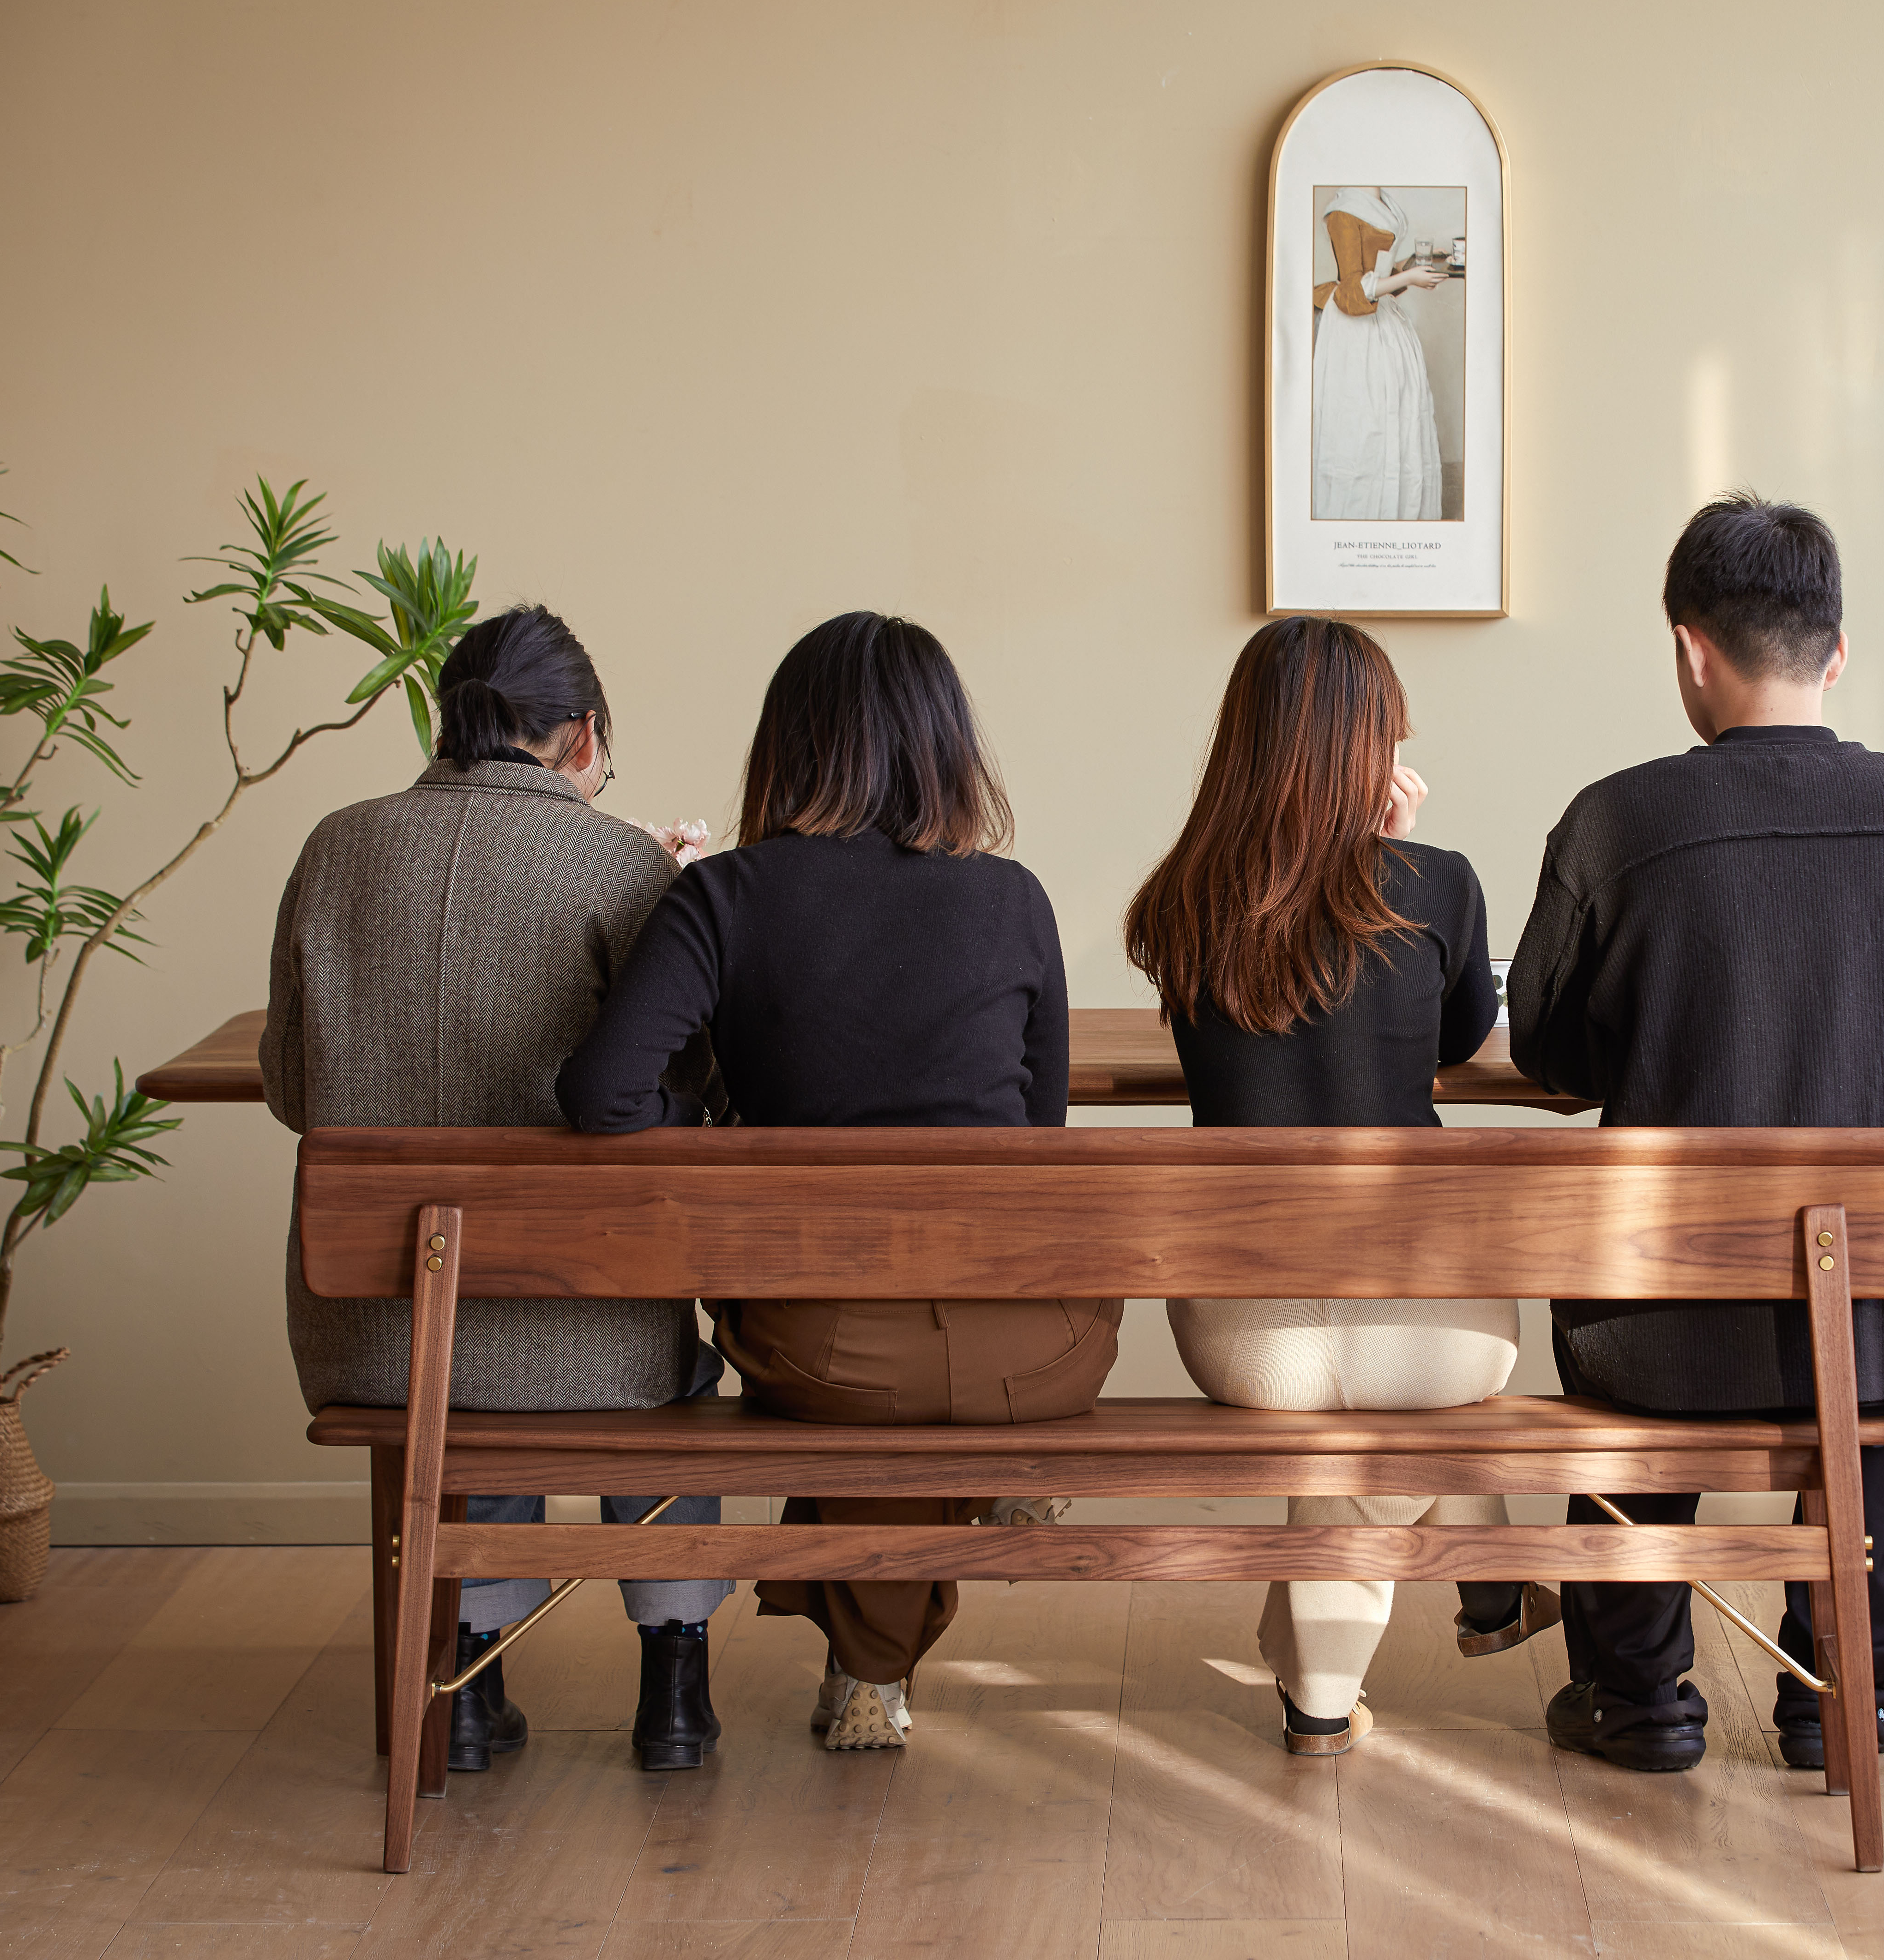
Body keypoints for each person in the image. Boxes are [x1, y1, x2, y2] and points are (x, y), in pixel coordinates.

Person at [1508, 495, 1884, 1775]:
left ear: (1690, 650)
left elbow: (1549, 1052)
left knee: (1626, 1358)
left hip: (1671, 1323)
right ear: (1835, 652)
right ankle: (1841, 1689)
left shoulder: (1614, 825)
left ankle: (1637, 1698)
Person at [558, 610, 1105, 1753]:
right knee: (937, 1349)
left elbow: (602, 1096)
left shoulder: (728, 897)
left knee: (866, 1360)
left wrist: (712, 1125)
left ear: (790, 743)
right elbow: (1042, 1145)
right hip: (1039, 1349)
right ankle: (929, 1571)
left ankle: (870, 1667)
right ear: (947, 747)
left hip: (824, 1351)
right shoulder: (1014, 900)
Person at [261, 605, 732, 1776]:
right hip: (591, 1345)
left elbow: (289, 1085)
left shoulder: (333, 848)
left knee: (469, 1330)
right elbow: (688, 1096)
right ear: (581, 737)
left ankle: (464, 1692)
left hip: (371, 1339)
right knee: (638, 1349)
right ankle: (673, 1688)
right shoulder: (618, 863)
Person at [1123, 616, 1556, 1757]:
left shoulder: (1179, 903)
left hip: (1246, 1337)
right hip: (1435, 1334)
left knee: (1351, 1436)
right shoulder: (1439, 884)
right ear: (1372, 755)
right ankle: (1411, 1631)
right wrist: (1395, 850)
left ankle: (1449, 1618)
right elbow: (1462, 1032)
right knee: (1409, 1423)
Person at [1312, 186, 1450, 521]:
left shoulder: (1383, 201)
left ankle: (1397, 512)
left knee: (1399, 420)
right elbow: (1353, 291)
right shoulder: (1345, 210)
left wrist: (1417, 265)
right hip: (1356, 334)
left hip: (1388, 326)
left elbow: (1383, 279)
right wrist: (1410, 277)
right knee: (1365, 424)